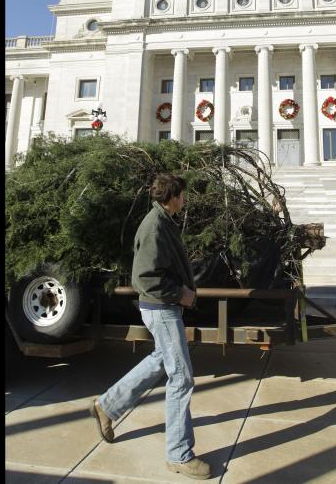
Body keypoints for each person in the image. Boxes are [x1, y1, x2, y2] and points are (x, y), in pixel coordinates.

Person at [89, 173, 211, 480]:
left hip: (164, 308)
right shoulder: (155, 225)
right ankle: (178, 454)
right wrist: (180, 293)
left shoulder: (164, 221)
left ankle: (107, 405)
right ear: (170, 196)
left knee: (160, 359)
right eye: (181, 194)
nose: (185, 199)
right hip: (161, 308)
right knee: (181, 377)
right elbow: (144, 277)